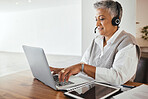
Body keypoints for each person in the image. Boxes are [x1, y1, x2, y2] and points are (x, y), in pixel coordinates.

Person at [50, 0, 140, 85]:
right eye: (96, 19)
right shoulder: (97, 40)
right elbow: (82, 67)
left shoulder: (128, 42)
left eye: (101, 19)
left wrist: (82, 67)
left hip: (117, 93)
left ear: (116, 20)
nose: (97, 24)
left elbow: (118, 77)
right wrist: (62, 71)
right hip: (94, 89)